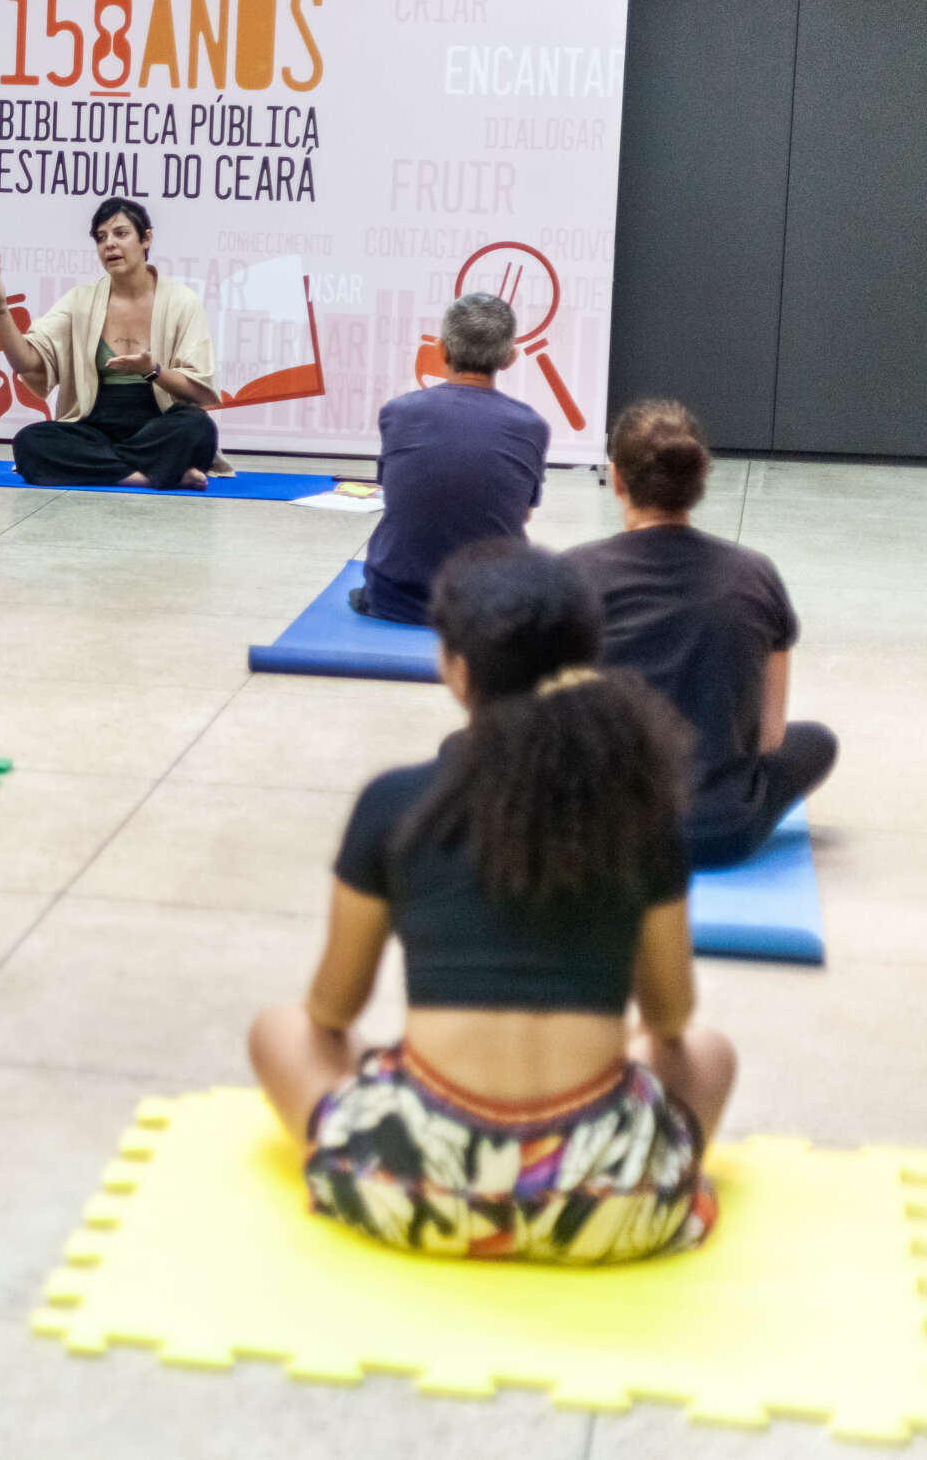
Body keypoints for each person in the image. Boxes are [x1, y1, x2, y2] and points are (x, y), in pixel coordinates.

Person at [248, 541, 734, 1265]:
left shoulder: (394, 802)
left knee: (281, 1029)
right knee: (708, 1053)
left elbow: (331, 1011)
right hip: (614, 1206)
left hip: (411, 1190)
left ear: (458, 669)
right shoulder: (638, 808)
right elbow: (670, 1019)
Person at [570, 400, 836, 868]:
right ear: (700, 479)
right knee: (815, 741)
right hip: (720, 832)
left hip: (605, 832)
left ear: (617, 479)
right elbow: (769, 737)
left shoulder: (572, 573)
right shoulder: (755, 574)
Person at [0, 198, 221, 490]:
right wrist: (1, 306)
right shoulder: (80, 300)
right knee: (29, 442)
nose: (109, 244)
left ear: (146, 238)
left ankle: (109, 468)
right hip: (94, 429)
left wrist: (152, 370)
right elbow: (25, 362)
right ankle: (149, 476)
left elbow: (200, 391)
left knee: (197, 426)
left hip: (157, 426)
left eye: (121, 234)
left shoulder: (181, 301)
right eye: (101, 237)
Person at [351, 292, 548, 624]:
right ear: (510, 358)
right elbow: (522, 512)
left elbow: (397, 495)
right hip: (491, 606)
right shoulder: (531, 426)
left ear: (442, 350)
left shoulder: (398, 413)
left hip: (394, 599)